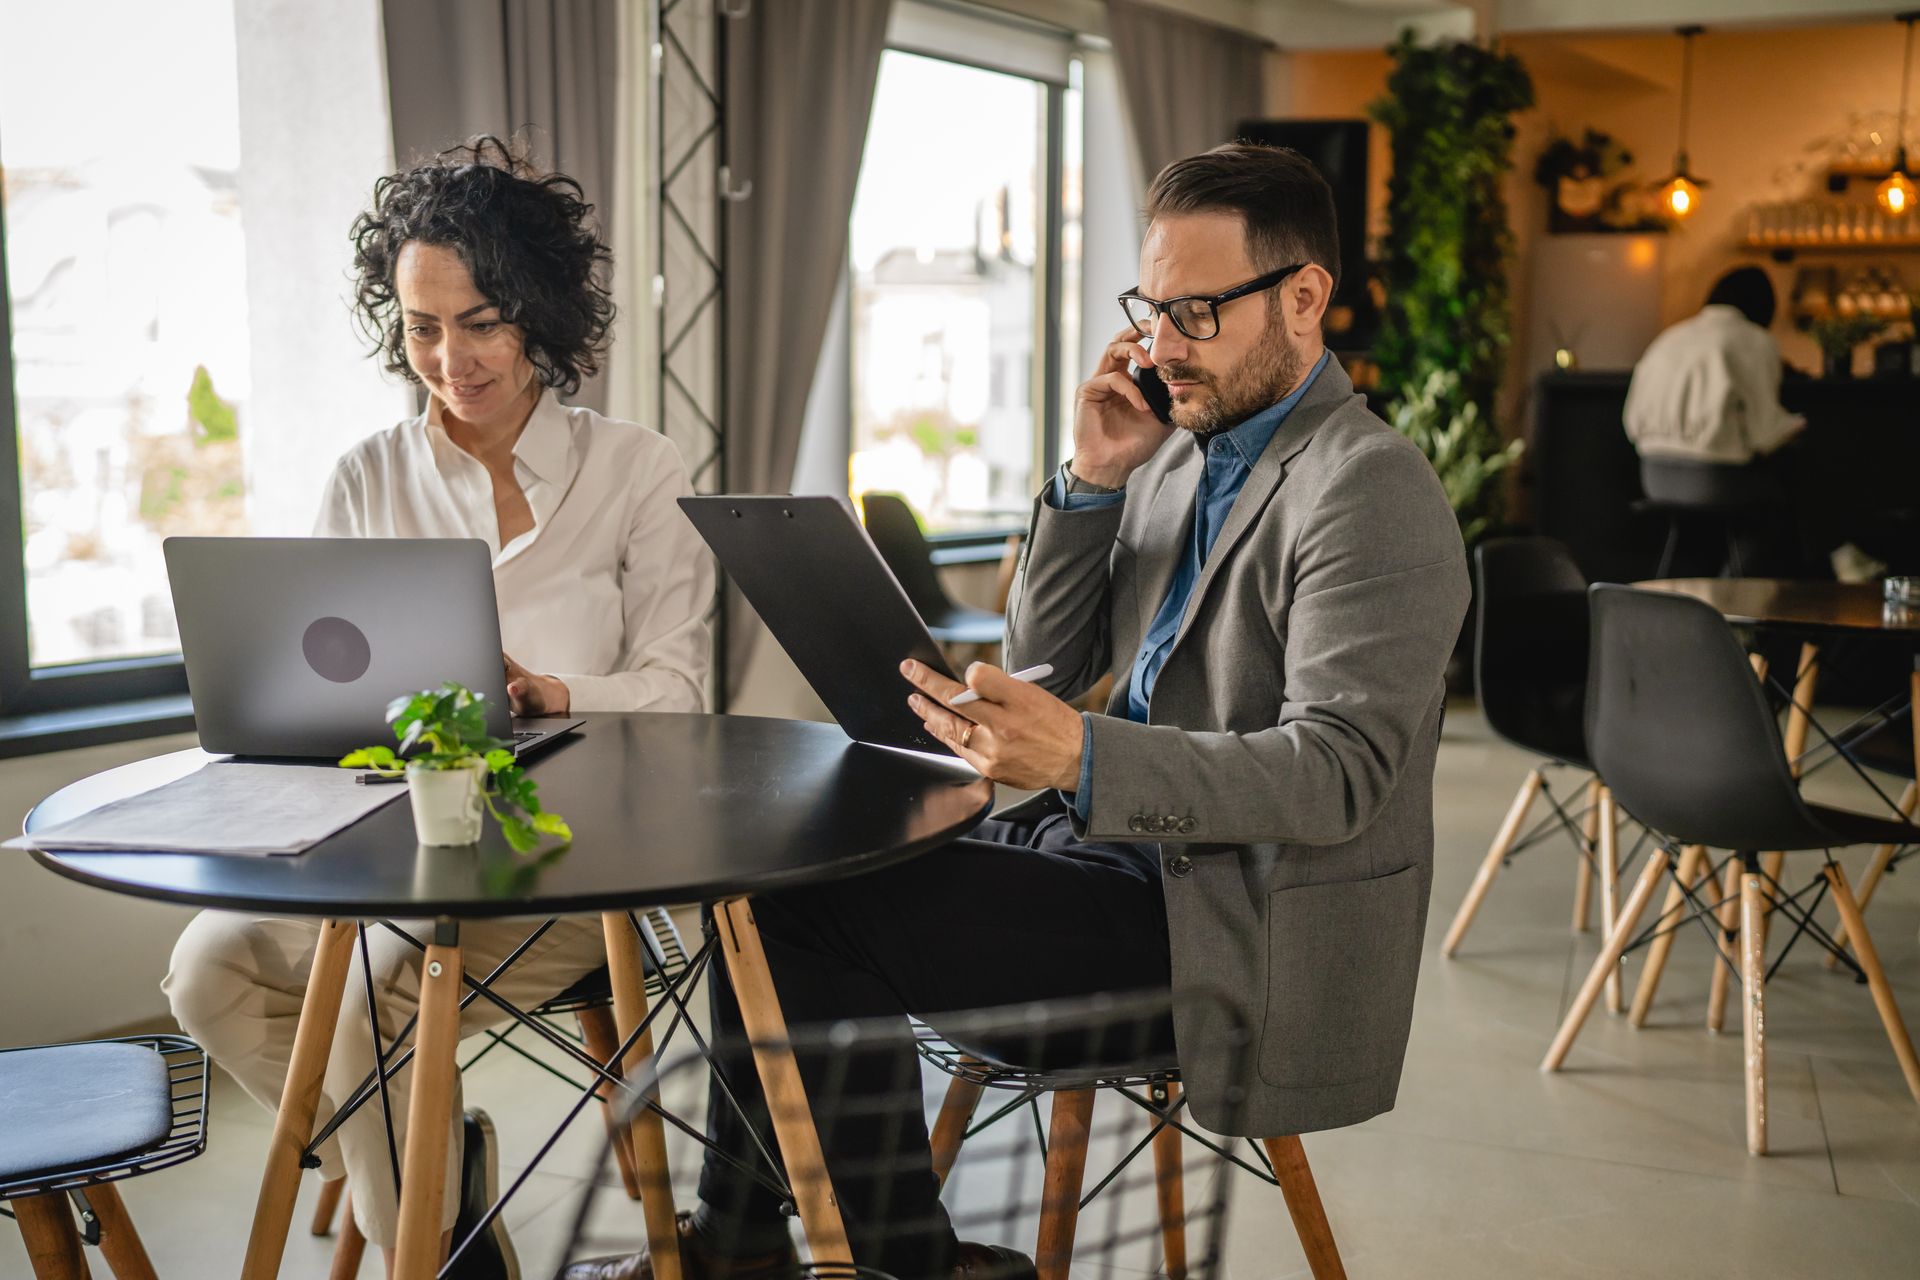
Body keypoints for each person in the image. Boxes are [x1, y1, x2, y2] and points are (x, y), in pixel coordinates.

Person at [561, 143, 1467, 1280]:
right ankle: (767, 1241)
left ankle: (867, 1258)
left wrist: (1088, 756)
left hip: (1230, 930)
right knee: (793, 867)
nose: (1161, 345)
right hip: (1113, 861)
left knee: (813, 914)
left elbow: (1338, 774)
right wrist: (1091, 479)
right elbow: (1043, 659)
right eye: (1151, 307)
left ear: (1303, 295)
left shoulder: (1368, 488)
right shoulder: (1181, 458)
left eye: (1195, 311)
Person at [163, 138, 713, 1278]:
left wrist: (557, 692)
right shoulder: (368, 475)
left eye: (481, 321)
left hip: (576, 857)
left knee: (367, 1006)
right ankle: (437, 1162)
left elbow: (682, 692)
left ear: (541, 314)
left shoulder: (639, 469)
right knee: (206, 968)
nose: (449, 357)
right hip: (388, 854)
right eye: (421, 326)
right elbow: (316, 698)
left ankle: (447, 1251)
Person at [1625, 266, 1805, 466]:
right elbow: (1765, 432)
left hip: (1654, 475)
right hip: (1717, 477)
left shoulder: (1669, 338)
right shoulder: (1754, 340)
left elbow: (1631, 420)